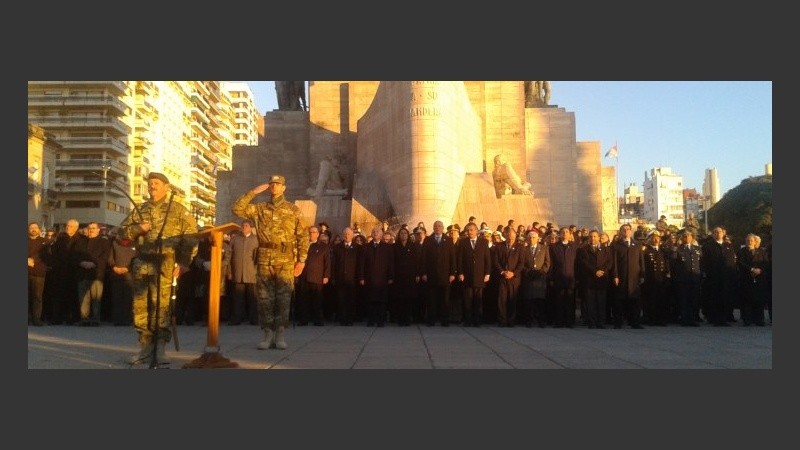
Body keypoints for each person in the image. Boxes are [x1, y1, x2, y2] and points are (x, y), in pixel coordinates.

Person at [118, 172, 198, 365]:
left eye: (156, 183)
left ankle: (160, 348)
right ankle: (145, 348)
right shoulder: (141, 209)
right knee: (140, 307)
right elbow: (121, 232)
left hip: (165, 264)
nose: (152, 186)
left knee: (161, 307)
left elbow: (191, 238)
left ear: (166, 187)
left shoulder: (178, 210)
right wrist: (138, 229)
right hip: (142, 264)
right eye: (150, 183)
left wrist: (184, 263)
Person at [232, 175, 309, 350]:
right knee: (264, 299)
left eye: (278, 184)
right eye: (272, 184)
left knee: (283, 299)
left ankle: (280, 334)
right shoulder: (260, 208)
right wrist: (253, 192)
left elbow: (303, 236)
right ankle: (267, 334)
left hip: (285, 260)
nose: (274, 186)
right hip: (265, 259)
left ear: (284, 188)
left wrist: (302, 260)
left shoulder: (293, 210)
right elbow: (237, 209)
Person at [74, 221, 111, 326]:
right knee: (83, 298)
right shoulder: (81, 242)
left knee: (96, 298)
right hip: (82, 273)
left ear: (98, 230)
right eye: (89, 228)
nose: (91, 230)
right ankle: (84, 318)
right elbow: (75, 255)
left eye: (93, 228)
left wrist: (93, 263)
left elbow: (105, 256)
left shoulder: (104, 242)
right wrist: (82, 262)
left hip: (96, 274)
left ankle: (95, 319)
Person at [456, 222, 491, 327]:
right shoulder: (463, 242)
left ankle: (477, 320)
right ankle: (468, 320)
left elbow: (487, 259)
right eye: (468, 230)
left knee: (478, 300)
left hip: (480, 275)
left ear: (476, 231)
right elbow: (459, 259)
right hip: (467, 275)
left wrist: (487, 273)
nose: (469, 232)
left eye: (471, 230)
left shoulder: (483, 242)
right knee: (467, 299)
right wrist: (460, 272)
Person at [610, 223, 646, 329]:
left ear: (631, 231)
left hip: (634, 277)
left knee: (635, 300)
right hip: (622, 276)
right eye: (624, 229)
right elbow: (614, 262)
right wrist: (615, 275)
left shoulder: (637, 244)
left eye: (628, 229)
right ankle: (618, 322)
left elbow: (641, 260)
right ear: (621, 232)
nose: (626, 231)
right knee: (619, 300)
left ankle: (635, 322)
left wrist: (642, 274)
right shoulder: (616, 245)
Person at [224, 219, 259, 325]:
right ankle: (236, 319)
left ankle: (254, 319)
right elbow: (228, 255)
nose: (244, 227)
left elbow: (259, 256)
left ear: (251, 228)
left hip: (251, 273)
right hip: (238, 272)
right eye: (243, 225)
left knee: (252, 298)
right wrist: (229, 270)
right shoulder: (235, 239)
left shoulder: (256, 240)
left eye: (246, 226)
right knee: (238, 298)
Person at [576, 230, 612, 329]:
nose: (593, 238)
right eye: (591, 236)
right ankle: (592, 322)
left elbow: (609, 262)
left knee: (601, 302)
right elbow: (584, 263)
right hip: (589, 279)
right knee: (590, 302)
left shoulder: (606, 249)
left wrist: (602, 271)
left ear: (599, 237)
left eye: (595, 236)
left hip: (602, 279)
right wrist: (595, 271)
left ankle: (601, 322)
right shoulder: (584, 249)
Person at [359, 227, 394, 327]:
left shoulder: (387, 247)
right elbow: (362, 263)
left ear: (381, 234)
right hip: (369, 278)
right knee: (370, 300)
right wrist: (361, 277)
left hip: (382, 279)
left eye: (377, 232)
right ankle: (371, 320)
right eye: (373, 232)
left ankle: (380, 321)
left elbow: (391, 263)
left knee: (381, 301)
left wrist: (391, 276)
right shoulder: (366, 247)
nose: (375, 233)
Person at [298, 225, 331, 326]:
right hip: (304, 276)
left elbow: (327, 262)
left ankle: (318, 320)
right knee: (303, 299)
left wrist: (326, 275)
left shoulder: (323, 246)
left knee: (317, 300)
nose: (311, 234)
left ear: (318, 234)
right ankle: (303, 320)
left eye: (314, 232)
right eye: (310, 232)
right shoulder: (303, 245)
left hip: (317, 276)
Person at [107, 228, 137, 326]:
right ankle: (117, 319)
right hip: (116, 274)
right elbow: (110, 258)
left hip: (129, 276)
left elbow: (136, 259)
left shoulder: (135, 245)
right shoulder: (114, 244)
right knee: (117, 298)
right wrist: (114, 267)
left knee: (128, 299)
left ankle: (127, 319)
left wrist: (128, 268)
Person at [332, 227, 361, 325]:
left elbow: (360, 264)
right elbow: (334, 263)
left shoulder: (358, 248)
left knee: (351, 299)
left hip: (352, 279)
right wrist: (333, 277)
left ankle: (350, 319)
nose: (347, 236)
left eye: (349, 234)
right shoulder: (337, 247)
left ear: (352, 235)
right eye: (345, 234)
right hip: (340, 278)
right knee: (341, 299)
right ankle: (342, 319)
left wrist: (360, 277)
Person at [28, 222, 48, 326]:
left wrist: (33, 260)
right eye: (31, 228)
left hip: (38, 272)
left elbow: (45, 254)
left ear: (39, 229)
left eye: (35, 227)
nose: (33, 229)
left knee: (37, 297)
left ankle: (36, 318)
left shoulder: (44, 242)